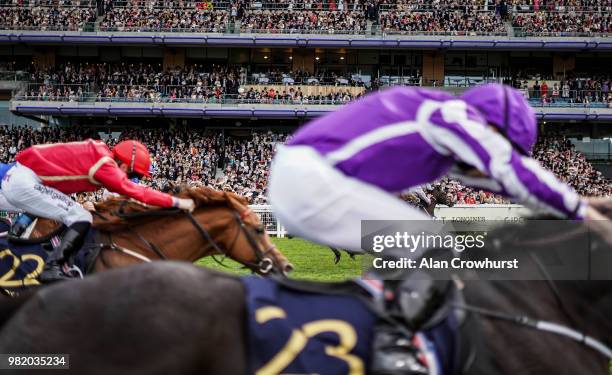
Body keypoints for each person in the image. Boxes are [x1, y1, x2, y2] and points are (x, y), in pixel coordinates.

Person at [267, 84, 604, 374]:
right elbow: (507, 170)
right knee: (431, 240)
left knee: (420, 247)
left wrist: (591, 204)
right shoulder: (453, 115)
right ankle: (393, 345)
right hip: (310, 179)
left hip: (304, 176)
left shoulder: (440, 126)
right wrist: (584, 213)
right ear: (491, 130)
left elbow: (500, 182)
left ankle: (379, 318)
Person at [1, 139, 195, 282]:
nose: (133, 178)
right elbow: (135, 192)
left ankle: (44, 254)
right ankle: (53, 267)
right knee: (81, 217)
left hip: (17, 178)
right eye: (134, 174)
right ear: (125, 165)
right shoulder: (105, 165)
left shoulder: (100, 153)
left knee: (71, 214)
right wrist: (176, 203)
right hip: (23, 182)